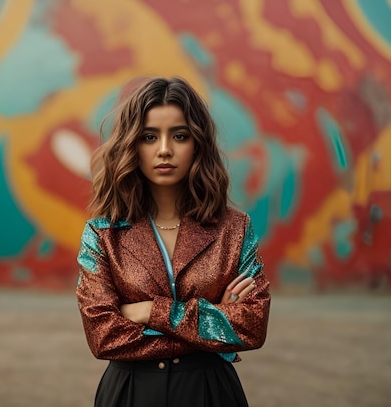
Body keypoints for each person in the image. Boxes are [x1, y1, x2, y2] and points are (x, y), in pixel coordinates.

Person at [76, 76, 271, 407]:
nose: (164, 150)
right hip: (130, 393)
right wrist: (213, 323)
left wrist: (150, 311)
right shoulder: (102, 234)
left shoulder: (234, 228)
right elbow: (104, 336)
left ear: (197, 143)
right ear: (132, 144)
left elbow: (251, 326)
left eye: (179, 136)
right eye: (150, 137)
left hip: (211, 392)